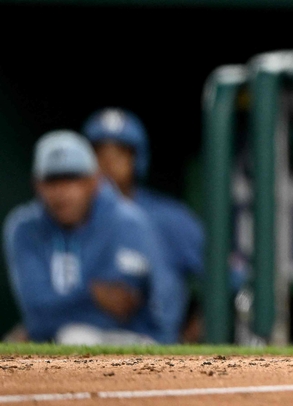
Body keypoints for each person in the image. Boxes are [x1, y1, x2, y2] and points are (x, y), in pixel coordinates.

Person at [3, 131, 180, 344]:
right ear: (37, 184)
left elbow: (164, 296)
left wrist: (164, 341)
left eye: (72, 179)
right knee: (71, 337)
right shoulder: (24, 228)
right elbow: (37, 314)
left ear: (93, 181)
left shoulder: (129, 223)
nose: (62, 192)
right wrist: (92, 295)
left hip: (136, 342)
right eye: (52, 181)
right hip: (61, 345)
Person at [82, 109, 204, 333]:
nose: (108, 163)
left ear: (138, 159)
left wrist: (198, 325)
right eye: (99, 153)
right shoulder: (72, 220)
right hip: (85, 339)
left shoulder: (170, 218)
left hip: (152, 345)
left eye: (120, 152)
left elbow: (224, 277)